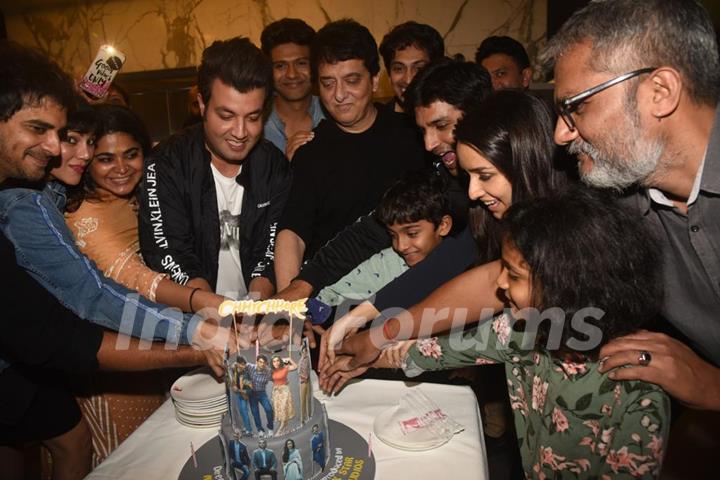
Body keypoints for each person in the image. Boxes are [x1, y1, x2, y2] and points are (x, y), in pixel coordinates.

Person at [335, 0, 720, 415]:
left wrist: (710, 384)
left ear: (660, 92)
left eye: (577, 106)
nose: (559, 134)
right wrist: (382, 331)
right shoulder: (617, 194)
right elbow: (496, 279)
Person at [0, 41, 227, 480]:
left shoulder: (59, 190)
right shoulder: (27, 203)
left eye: (81, 139)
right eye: (48, 133)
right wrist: (197, 321)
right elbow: (95, 295)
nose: (73, 153)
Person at [353, 187, 671, 479]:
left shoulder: (637, 395)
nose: (500, 283)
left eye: (514, 275)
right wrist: (359, 357)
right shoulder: (521, 330)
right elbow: (435, 350)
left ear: (567, 286)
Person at [319, 90, 562, 379]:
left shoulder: (571, 237)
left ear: (525, 160)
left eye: (484, 176)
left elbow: (500, 333)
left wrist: (387, 343)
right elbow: (463, 270)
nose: (472, 192)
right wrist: (368, 324)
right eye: (468, 177)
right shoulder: (511, 224)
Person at [274, 61, 492, 349]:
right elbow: (372, 230)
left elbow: (458, 254)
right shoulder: (442, 172)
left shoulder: (516, 176)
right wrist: (304, 283)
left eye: (440, 126)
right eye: (423, 130)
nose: (429, 144)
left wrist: (370, 321)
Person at [273, 18, 427, 292]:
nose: (340, 95)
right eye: (328, 83)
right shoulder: (310, 151)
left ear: (375, 80)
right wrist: (290, 306)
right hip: (332, 298)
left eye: (351, 81)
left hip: (409, 292)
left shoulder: (414, 136)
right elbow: (292, 234)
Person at [138, 37, 291, 301]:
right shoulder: (166, 163)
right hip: (191, 315)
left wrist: (252, 312)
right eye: (226, 116)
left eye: (253, 118)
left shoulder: (274, 166)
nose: (241, 133)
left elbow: (270, 251)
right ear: (201, 105)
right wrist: (214, 313)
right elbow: (171, 252)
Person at [316, 171, 452, 350]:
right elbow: (330, 293)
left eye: (412, 234)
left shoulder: (465, 266)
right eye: (393, 235)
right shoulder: (387, 262)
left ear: (443, 226)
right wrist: (310, 315)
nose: (401, 246)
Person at [260, 18, 325, 160]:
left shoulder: (334, 114)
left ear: (314, 66)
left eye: (301, 63)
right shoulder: (255, 125)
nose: (292, 74)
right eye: (280, 66)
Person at [378, 21, 444, 113]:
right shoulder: (380, 123)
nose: (408, 80)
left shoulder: (455, 118)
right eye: (398, 69)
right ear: (389, 75)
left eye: (419, 69)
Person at [247, 355, 274, 435]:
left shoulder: (268, 371)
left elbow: (274, 377)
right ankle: (260, 429)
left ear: (266, 364)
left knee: (269, 409)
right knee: (255, 413)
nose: (262, 364)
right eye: (260, 362)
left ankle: (270, 427)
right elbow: (239, 365)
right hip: (252, 394)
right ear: (257, 362)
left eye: (264, 363)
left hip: (262, 393)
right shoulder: (250, 367)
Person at [270, 355, 298, 435]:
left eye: (277, 361)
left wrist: (289, 359)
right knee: (279, 410)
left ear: (280, 361)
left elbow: (295, 366)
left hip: (284, 391)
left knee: (283, 408)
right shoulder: (271, 370)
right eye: (274, 361)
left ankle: (281, 428)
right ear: (272, 363)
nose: (276, 363)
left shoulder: (285, 368)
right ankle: (285, 426)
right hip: (276, 392)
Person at [231, 356, 254, 436]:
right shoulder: (235, 370)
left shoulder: (245, 374)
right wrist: (234, 385)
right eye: (242, 364)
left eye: (244, 364)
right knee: (241, 411)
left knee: (244, 411)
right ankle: (245, 426)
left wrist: (239, 390)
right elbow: (232, 366)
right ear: (238, 364)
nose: (244, 366)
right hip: (238, 394)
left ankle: (249, 430)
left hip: (244, 394)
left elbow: (250, 388)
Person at [297, 344, 312, 423]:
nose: (305, 353)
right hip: (303, 382)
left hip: (308, 381)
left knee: (308, 399)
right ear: (301, 353)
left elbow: (309, 369)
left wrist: (308, 377)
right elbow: (298, 372)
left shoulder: (308, 360)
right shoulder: (300, 361)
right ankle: (303, 418)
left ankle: (308, 416)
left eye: (306, 351)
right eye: (303, 352)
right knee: (303, 400)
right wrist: (304, 378)